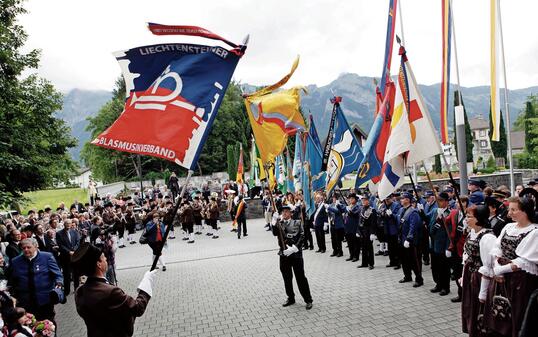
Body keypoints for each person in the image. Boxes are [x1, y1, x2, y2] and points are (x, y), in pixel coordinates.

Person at [73, 243, 155, 337]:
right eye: (103, 257)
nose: (106, 259)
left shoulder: (79, 292)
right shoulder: (111, 292)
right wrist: (146, 282)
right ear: (99, 264)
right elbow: (137, 308)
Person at [484, 196, 538, 337]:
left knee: (517, 314)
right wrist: (497, 266)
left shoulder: (534, 232)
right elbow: (497, 248)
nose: (509, 213)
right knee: (497, 312)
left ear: (525, 211)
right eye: (509, 209)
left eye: (514, 210)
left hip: (519, 280)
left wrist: (500, 270)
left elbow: (525, 261)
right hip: (501, 278)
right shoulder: (508, 227)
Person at [460, 205, 496, 337]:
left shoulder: (487, 237)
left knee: (479, 307)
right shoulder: (473, 232)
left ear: (478, 218)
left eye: (469, 217)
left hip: (480, 278)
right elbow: (466, 255)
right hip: (470, 274)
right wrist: (463, 275)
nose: (466, 219)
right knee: (470, 306)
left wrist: (483, 292)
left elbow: (489, 266)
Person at [9, 238, 63, 322]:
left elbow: (58, 274)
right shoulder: (15, 261)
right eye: (23, 248)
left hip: (45, 300)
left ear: (35, 247)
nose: (26, 250)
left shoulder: (47, 257)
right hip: (26, 302)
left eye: (28, 247)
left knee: (48, 323)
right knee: (31, 325)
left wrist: (59, 283)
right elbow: (12, 280)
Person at [272, 205, 313, 310]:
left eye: (286, 211)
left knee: (300, 277)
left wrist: (294, 248)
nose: (284, 213)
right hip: (284, 254)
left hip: (295, 254)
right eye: (282, 212)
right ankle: (291, 297)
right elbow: (275, 233)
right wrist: (273, 222)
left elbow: (302, 236)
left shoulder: (297, 222)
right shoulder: (279, 223)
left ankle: (308, 300)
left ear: (291, 213)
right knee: (287, 277)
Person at [398, 192, 424, 287]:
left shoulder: (413, 212)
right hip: (401, 239)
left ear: (408, 200)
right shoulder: (401, 210)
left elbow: (413, 227)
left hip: (410, 241)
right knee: (404, 260)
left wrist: (409, 238)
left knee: (414, 261)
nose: (401, 200)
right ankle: (407, 276)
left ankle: (419, 279)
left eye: (402, 198)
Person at [429, 192, 452, 296]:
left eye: (442, 200)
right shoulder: (434, 211)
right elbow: (429, 225)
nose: (439, 202)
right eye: (438, 200)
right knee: (435, 267)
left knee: (444, 268)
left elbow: (450, 233)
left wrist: (448, 247)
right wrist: (420, 211)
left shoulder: (450, 213)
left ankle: (445, 287)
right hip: (434, 243)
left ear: (447, 202)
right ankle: (438, 284)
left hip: (443, 244)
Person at [55, 219, 81, 296]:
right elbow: (60, 245)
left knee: (76, 274)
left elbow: (78, 241)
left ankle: (77, 289)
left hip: (75, 256)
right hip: (65, 257)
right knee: (66, 275)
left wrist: (74, 250)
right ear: (64, 224)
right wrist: (69, 252)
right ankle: (67, 290)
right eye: (67, 223)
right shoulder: (59, 233)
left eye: (70, 223)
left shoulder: (74, 232)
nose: (68, 225)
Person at [357, 195, 377, 270]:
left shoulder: (372, 210)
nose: (363, 201)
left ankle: (371, 263)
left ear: (368, 201)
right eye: (362, 200)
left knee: (369, 247)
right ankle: (364, 263)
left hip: (368, 230)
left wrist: (372, 233)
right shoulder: (361, 208)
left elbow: (373, 223)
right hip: (362, 230)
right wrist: (358, 231)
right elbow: (359, 221)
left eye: (365, 200)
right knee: (363, 247)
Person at [344, 193, 361, 262]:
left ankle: (356, 256)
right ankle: (351, 255)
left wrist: (349, 210)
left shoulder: (358, 207)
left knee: (355, 243)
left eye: (352, 199)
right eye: (350, 199)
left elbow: (355, 214)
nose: (350, 200)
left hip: (354, 227)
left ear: (355, 199)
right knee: (349, 242)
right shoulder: (349, 206)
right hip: (348, 227)